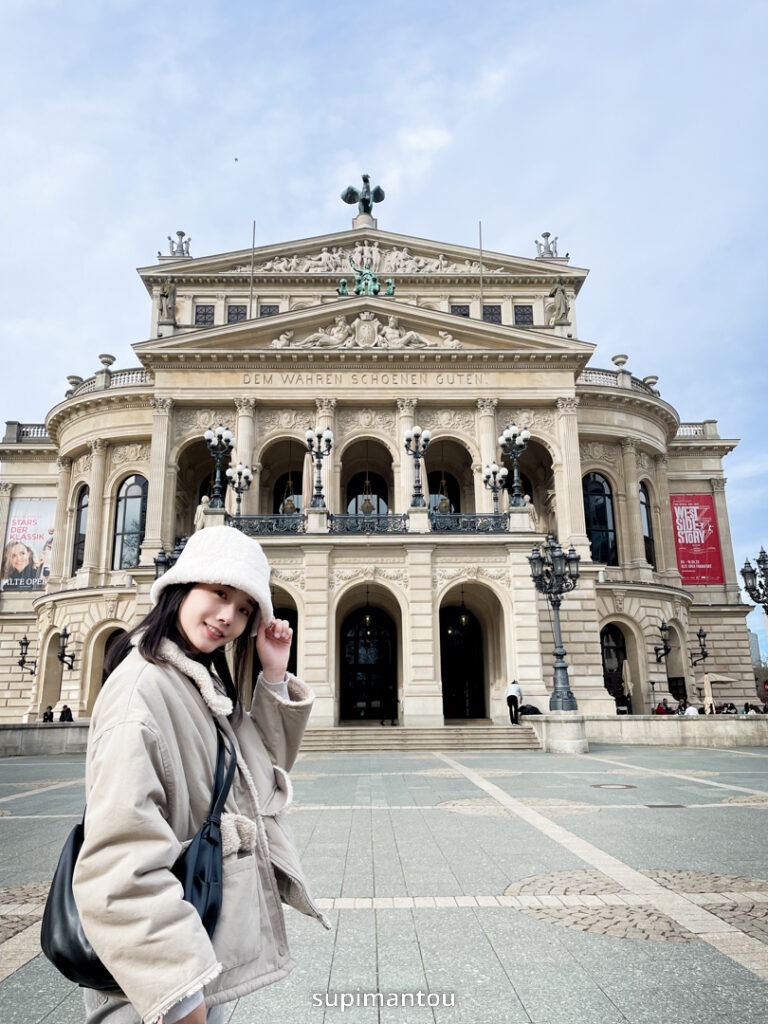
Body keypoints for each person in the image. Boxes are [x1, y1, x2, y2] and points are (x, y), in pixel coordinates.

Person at [71, 526, 328, 1024]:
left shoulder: (195, 681)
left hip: (194, 945)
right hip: (157, 983)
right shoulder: (141, 691)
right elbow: (119, 866)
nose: (228, 617)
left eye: (245, 608)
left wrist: (272, 675)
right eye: (219, 594)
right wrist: (183, 995)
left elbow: (259, 777)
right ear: (181, 588)